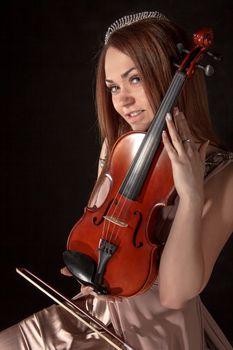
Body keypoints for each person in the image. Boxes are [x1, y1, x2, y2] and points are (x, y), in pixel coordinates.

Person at [1, 10, 233, 350]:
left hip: (157, 332)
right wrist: (94, 273)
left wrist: (191, 195)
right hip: (99, 312)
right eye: (113, 86)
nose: (122, 100)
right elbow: (103, 230)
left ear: (174, 76)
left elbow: (173, 294)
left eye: (135, 79)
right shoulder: (120, 147)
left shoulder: (225, 173)